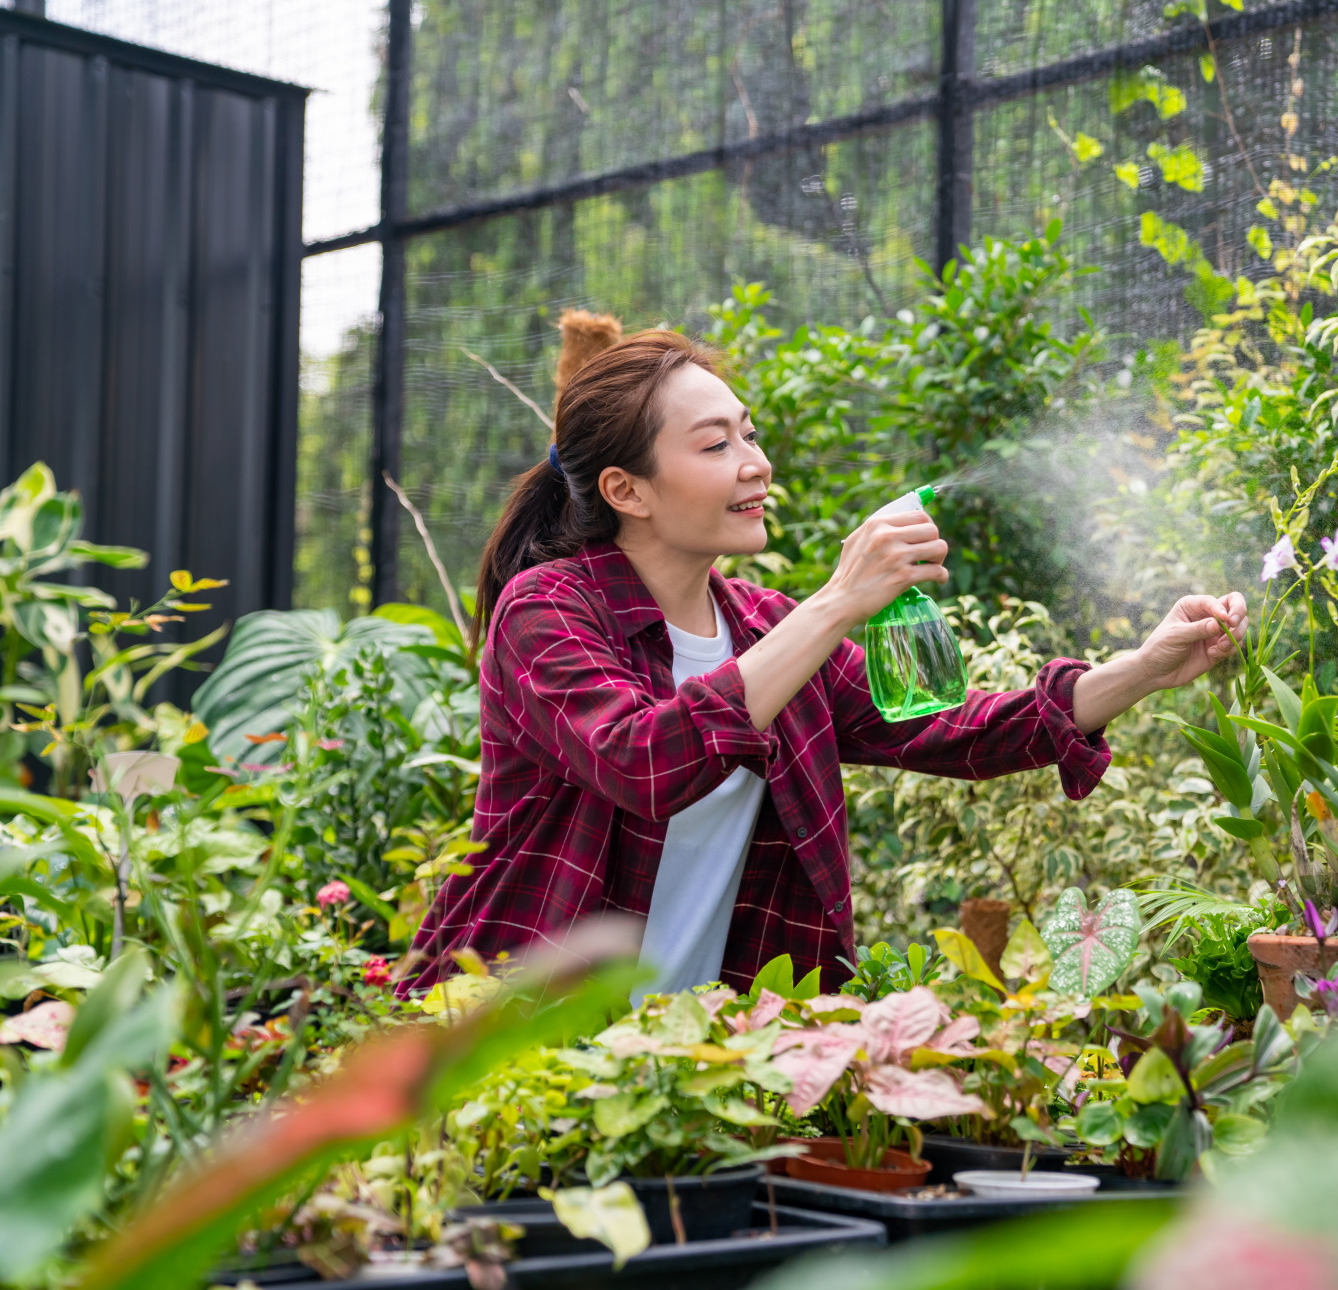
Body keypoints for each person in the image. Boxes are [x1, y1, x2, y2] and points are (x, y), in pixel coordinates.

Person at [406, 320, 1247, 994]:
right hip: (520, 1041)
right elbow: (642, 762)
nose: (756, 464)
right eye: (715, 446)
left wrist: (1141, 667)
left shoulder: (762, 624)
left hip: (702, 1058)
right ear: (627, 490)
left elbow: (947, 729)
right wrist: (838, 602)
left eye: (750, 433)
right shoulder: (549, 609)